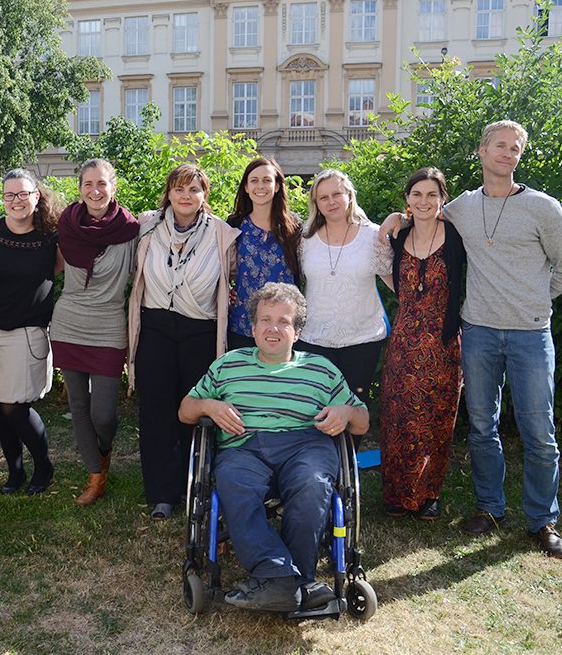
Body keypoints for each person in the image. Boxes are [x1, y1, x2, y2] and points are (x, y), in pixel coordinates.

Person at [379, 120, 562, 557]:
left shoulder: (544, 208)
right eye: (500, 146)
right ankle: (490, 508)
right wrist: (396, 217)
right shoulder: (464, 207)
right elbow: (424, 213)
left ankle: (543, 521)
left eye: (515, 148)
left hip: (530, 333)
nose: (508, 153)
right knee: (483, 427)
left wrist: (533, 301)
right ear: (482, 151)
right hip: (478, 331)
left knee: (538, 430)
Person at [178, 282, 368, 612]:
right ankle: (284, 578)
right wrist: (209, 405)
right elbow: (185, 410)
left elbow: (362, 421)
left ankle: (288, 581)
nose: (273, 329)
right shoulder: (228, 365)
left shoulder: (321, 369)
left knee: (312, 484)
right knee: (234, 482)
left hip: (306, 445)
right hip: (244, 446)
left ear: (297, 332)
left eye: (284, 321)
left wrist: (347, 412)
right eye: (265, 320)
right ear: (252, 328)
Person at [127, 163, 239, 520]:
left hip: (201, 330)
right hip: (155, 327)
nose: (186, 196)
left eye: (194, 189)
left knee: (196, 411)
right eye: (179, 188)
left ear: (205, 195)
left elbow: (233, 275)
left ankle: (196, 487)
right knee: (155, 409)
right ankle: (162, 493)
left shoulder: (222, 233)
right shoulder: (147, 226)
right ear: (168, 193)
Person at [378, 167, 465, 520]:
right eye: (417, 194)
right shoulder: (399, 236)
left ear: (442, 199)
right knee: (399, 415)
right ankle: (398, 494)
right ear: (407, 200)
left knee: (437, 417)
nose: (424, 201)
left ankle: (429, 494)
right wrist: (395, 218)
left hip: (443, 341)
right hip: (404, 339)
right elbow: (387, 272)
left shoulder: (456, 237)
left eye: (432, 194)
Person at [51, 158, 139, 505]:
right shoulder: (67, 225)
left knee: (104, 414)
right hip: (69, 322)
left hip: (108, 325)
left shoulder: (130, 230)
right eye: (88, 184)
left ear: (113, 187)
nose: (95, 190)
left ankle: (103, 450)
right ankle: (95, 476)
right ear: (80, 189)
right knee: (78, 406)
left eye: (102, 183)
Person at [0, 169, 60, 495]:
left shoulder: (51, 236)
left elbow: (60, 268)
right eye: (9, 195)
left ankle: (44, 466)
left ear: (36, 196)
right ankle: (15, 471)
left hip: (26, 331)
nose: (16, 200)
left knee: (14, 405)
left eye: (23, 194)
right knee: (1, 402)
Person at [297, 169, 392, 401]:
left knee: (354, 405)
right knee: (317, 407)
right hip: (313, 339)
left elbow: (396, 282)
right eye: (323, 197)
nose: (331, 202)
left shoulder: (374, 236)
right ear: (316, 203)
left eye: (337, 194)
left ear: (349, 195)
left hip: (362, 340)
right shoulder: (304, 239)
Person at [226, 157, 302, 349]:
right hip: (243, 324)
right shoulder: (234, 225)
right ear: (246, 187)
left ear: (277, 186)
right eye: (254, 180)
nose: (260, 186)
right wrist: (226, 290)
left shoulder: (294, 227)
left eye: (267, 180)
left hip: (284, 325)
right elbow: (219, 267)